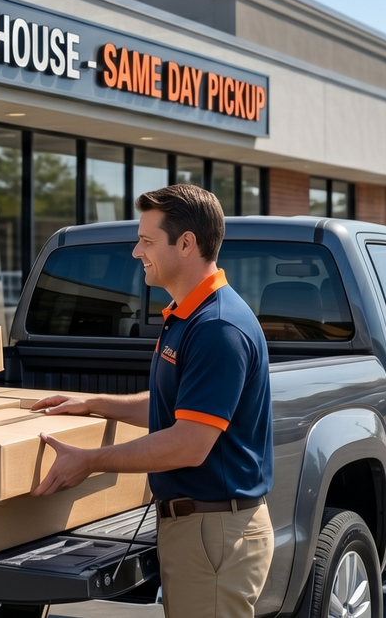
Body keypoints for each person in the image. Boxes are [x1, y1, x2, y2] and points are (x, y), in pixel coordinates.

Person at [30, 183, 273, 618]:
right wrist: (95, 404)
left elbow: (188, 442)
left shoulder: (217, 328)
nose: (135, 252)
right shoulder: (188, 315)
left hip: (213, 532)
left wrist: (88, 460)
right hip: (198, 528)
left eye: (146, 240)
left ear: (185, 244)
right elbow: (175, 409)